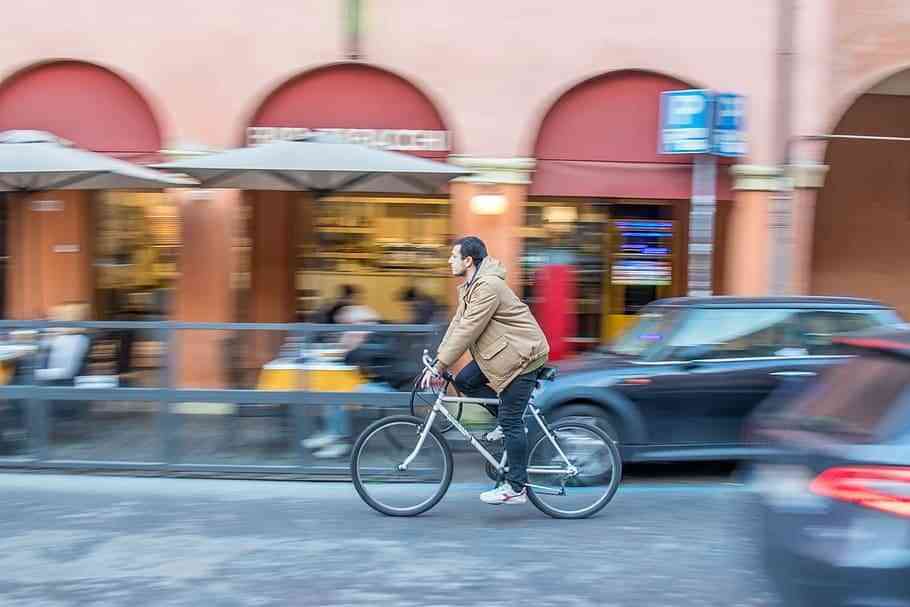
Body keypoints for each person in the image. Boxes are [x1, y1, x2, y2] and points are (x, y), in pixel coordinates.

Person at [421, 236, 549, 505]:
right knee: (465, 380)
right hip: (502, 353)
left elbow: (469, 330)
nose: (449, 260)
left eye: (453, 256)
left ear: (468, 261)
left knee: (513, 421)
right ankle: (504, 422)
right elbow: (457, 326)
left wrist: (441, 365)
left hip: (523, 356)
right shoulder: (470, 287)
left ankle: (516, 488)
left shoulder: (487, 286)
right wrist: (437, 363)